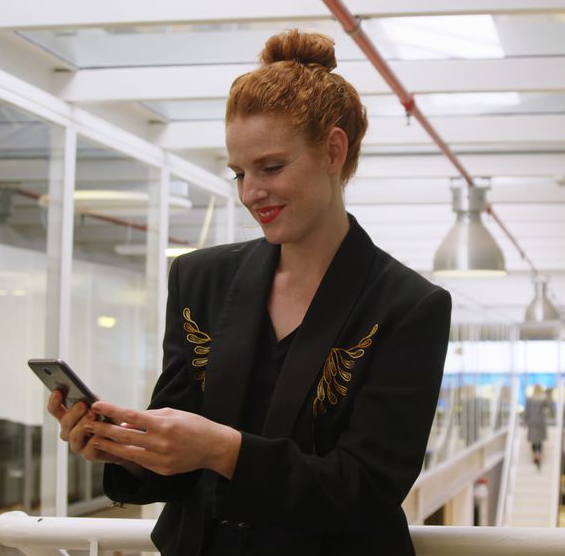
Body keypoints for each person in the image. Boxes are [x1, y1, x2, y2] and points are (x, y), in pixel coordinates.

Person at [46, 29, 452, 555]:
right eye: (239, 172)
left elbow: (366, 489)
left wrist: (225, 450)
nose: (250, 193)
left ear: (333, 150)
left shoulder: (406, 306)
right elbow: (180, 466)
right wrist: (125, 449)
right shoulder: (200, 280)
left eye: (271, 167)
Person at [523, 384, 551, 470]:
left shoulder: (530, 399)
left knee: (534, 441)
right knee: (540, 441)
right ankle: (539, 456)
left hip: (533, 422)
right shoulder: (543, 399)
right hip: (540, 422)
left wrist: (525, 421)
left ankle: (535, 456)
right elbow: (548, 408)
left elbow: (527, 411)